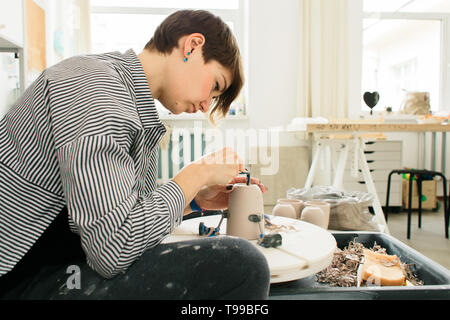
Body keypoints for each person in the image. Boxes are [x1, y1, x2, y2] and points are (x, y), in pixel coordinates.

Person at [0, 9, 270, 299]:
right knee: (242, 265)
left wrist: (193, 200)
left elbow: (126, 213)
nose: (207, 106)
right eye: (214, 86)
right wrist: (198, 172)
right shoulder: (95, 88)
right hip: (18, 278)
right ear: (192, 46)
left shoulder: (127, 98)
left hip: (54, 263)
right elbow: (114, 248)